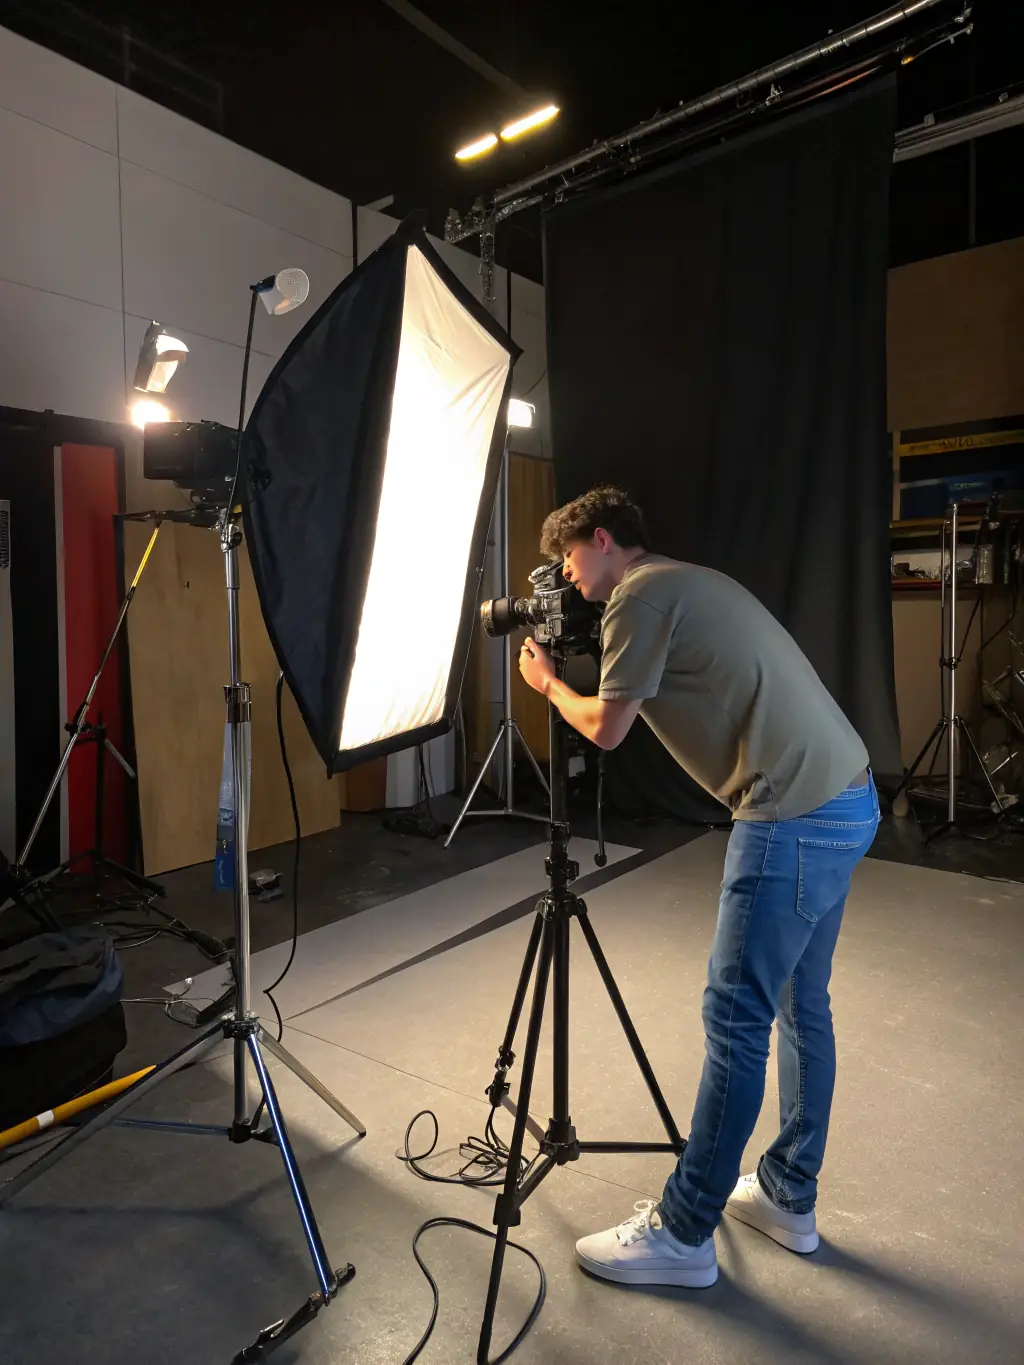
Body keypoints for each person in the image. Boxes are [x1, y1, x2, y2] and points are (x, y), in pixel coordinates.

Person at [516, 485, 879, 1289]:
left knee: (736, 1019)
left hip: (791, 814)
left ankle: (683, 1232)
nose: (569, 580)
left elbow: (606, 728)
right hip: (848, 795)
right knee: (799, 1002)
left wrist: (544, 682)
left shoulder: (638, 596)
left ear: (602, 540)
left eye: (569, 561)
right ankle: (788, 1191)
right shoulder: (686, 580)